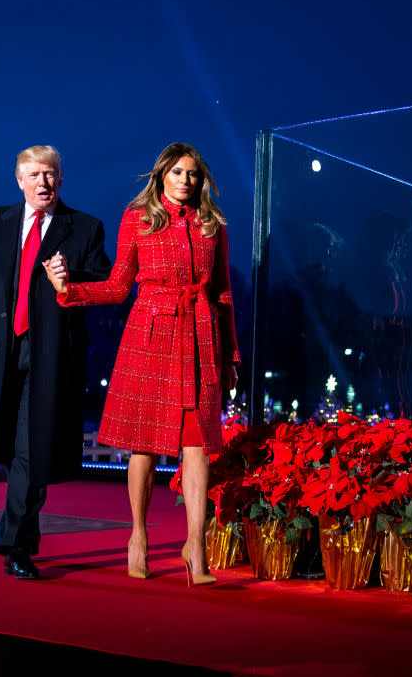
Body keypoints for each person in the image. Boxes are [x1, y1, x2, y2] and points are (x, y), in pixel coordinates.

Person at [43, 143, 240, 587]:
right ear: (161, 175)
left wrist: (231, 355)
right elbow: (116, 287)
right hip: (149, 335)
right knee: (143, 445)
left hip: (200, 337)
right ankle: (138, 538)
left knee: (197, 445)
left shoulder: (213, 225)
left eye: (193, 174)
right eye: (178, 173)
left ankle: (196, 545)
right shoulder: (138, 218)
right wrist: (68, 288)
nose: (186, 181)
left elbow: (224, 292)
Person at [0, 145, 110, 580]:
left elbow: (106, 283)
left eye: (51, 174)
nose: (44, 182)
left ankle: (14, 544)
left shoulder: (86, 228)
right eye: (35, 174)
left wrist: (69, 277)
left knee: (31, 448)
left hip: (51, 353)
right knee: (4, 448)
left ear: (62, 179)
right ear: (19, 180)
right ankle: (21, 536)